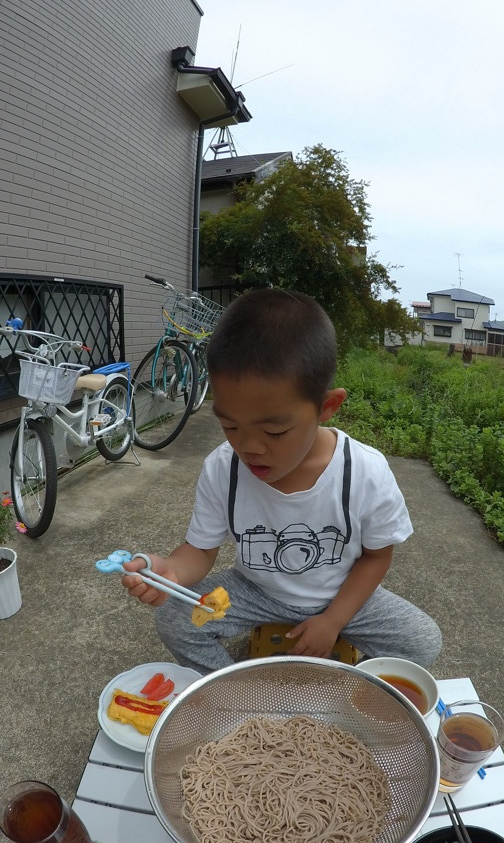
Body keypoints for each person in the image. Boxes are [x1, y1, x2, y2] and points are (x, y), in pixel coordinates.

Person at [122, 288, 442, 673]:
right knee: (175, 618)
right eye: (230, 425)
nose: (249, 447)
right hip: (255, 591)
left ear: (326, 407)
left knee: (422, 641)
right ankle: (231, 689)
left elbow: (376, 556)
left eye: (274, 432)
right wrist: (171, 570)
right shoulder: (223, 467)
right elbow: (200, 549)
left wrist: (333, 621)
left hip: (340, 597)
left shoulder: (365, 472)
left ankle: (355, 689)